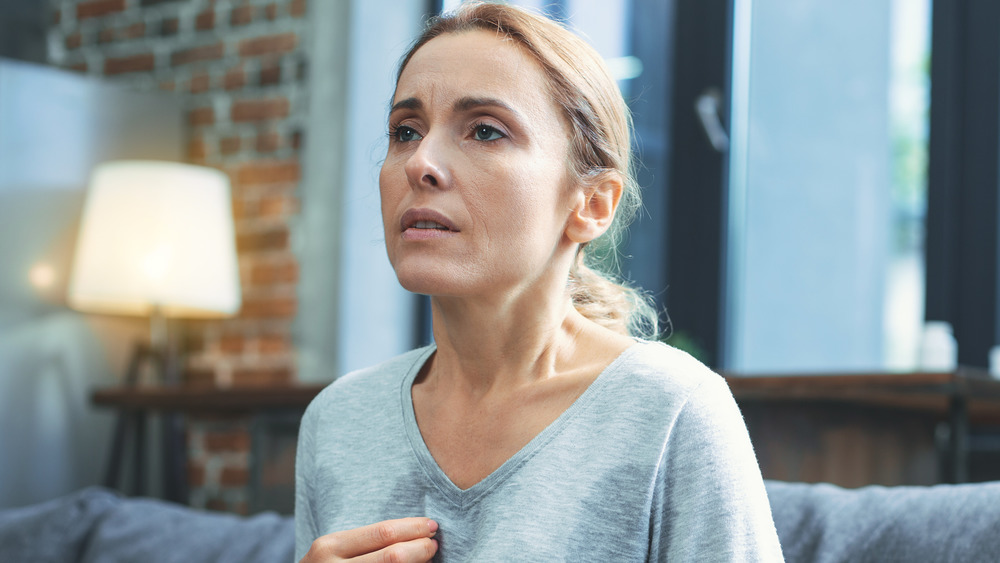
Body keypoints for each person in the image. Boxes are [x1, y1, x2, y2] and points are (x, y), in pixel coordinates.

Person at [295, 2, 783, 561]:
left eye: (484, 131)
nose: (419, 163)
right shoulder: (337, 422)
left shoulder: (673, 411)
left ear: (592, 204)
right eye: (405, 131)